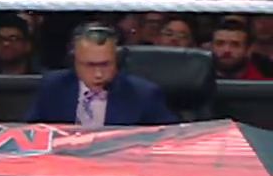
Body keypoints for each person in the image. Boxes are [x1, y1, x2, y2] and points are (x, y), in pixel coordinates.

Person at [25, 23, 175, 126]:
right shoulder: (54, 87)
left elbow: (169, 139)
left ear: (117, 60)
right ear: (74, 61)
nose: (98, 74)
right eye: (89, 65)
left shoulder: (143, 94)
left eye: (105, 64)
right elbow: (32, 134)